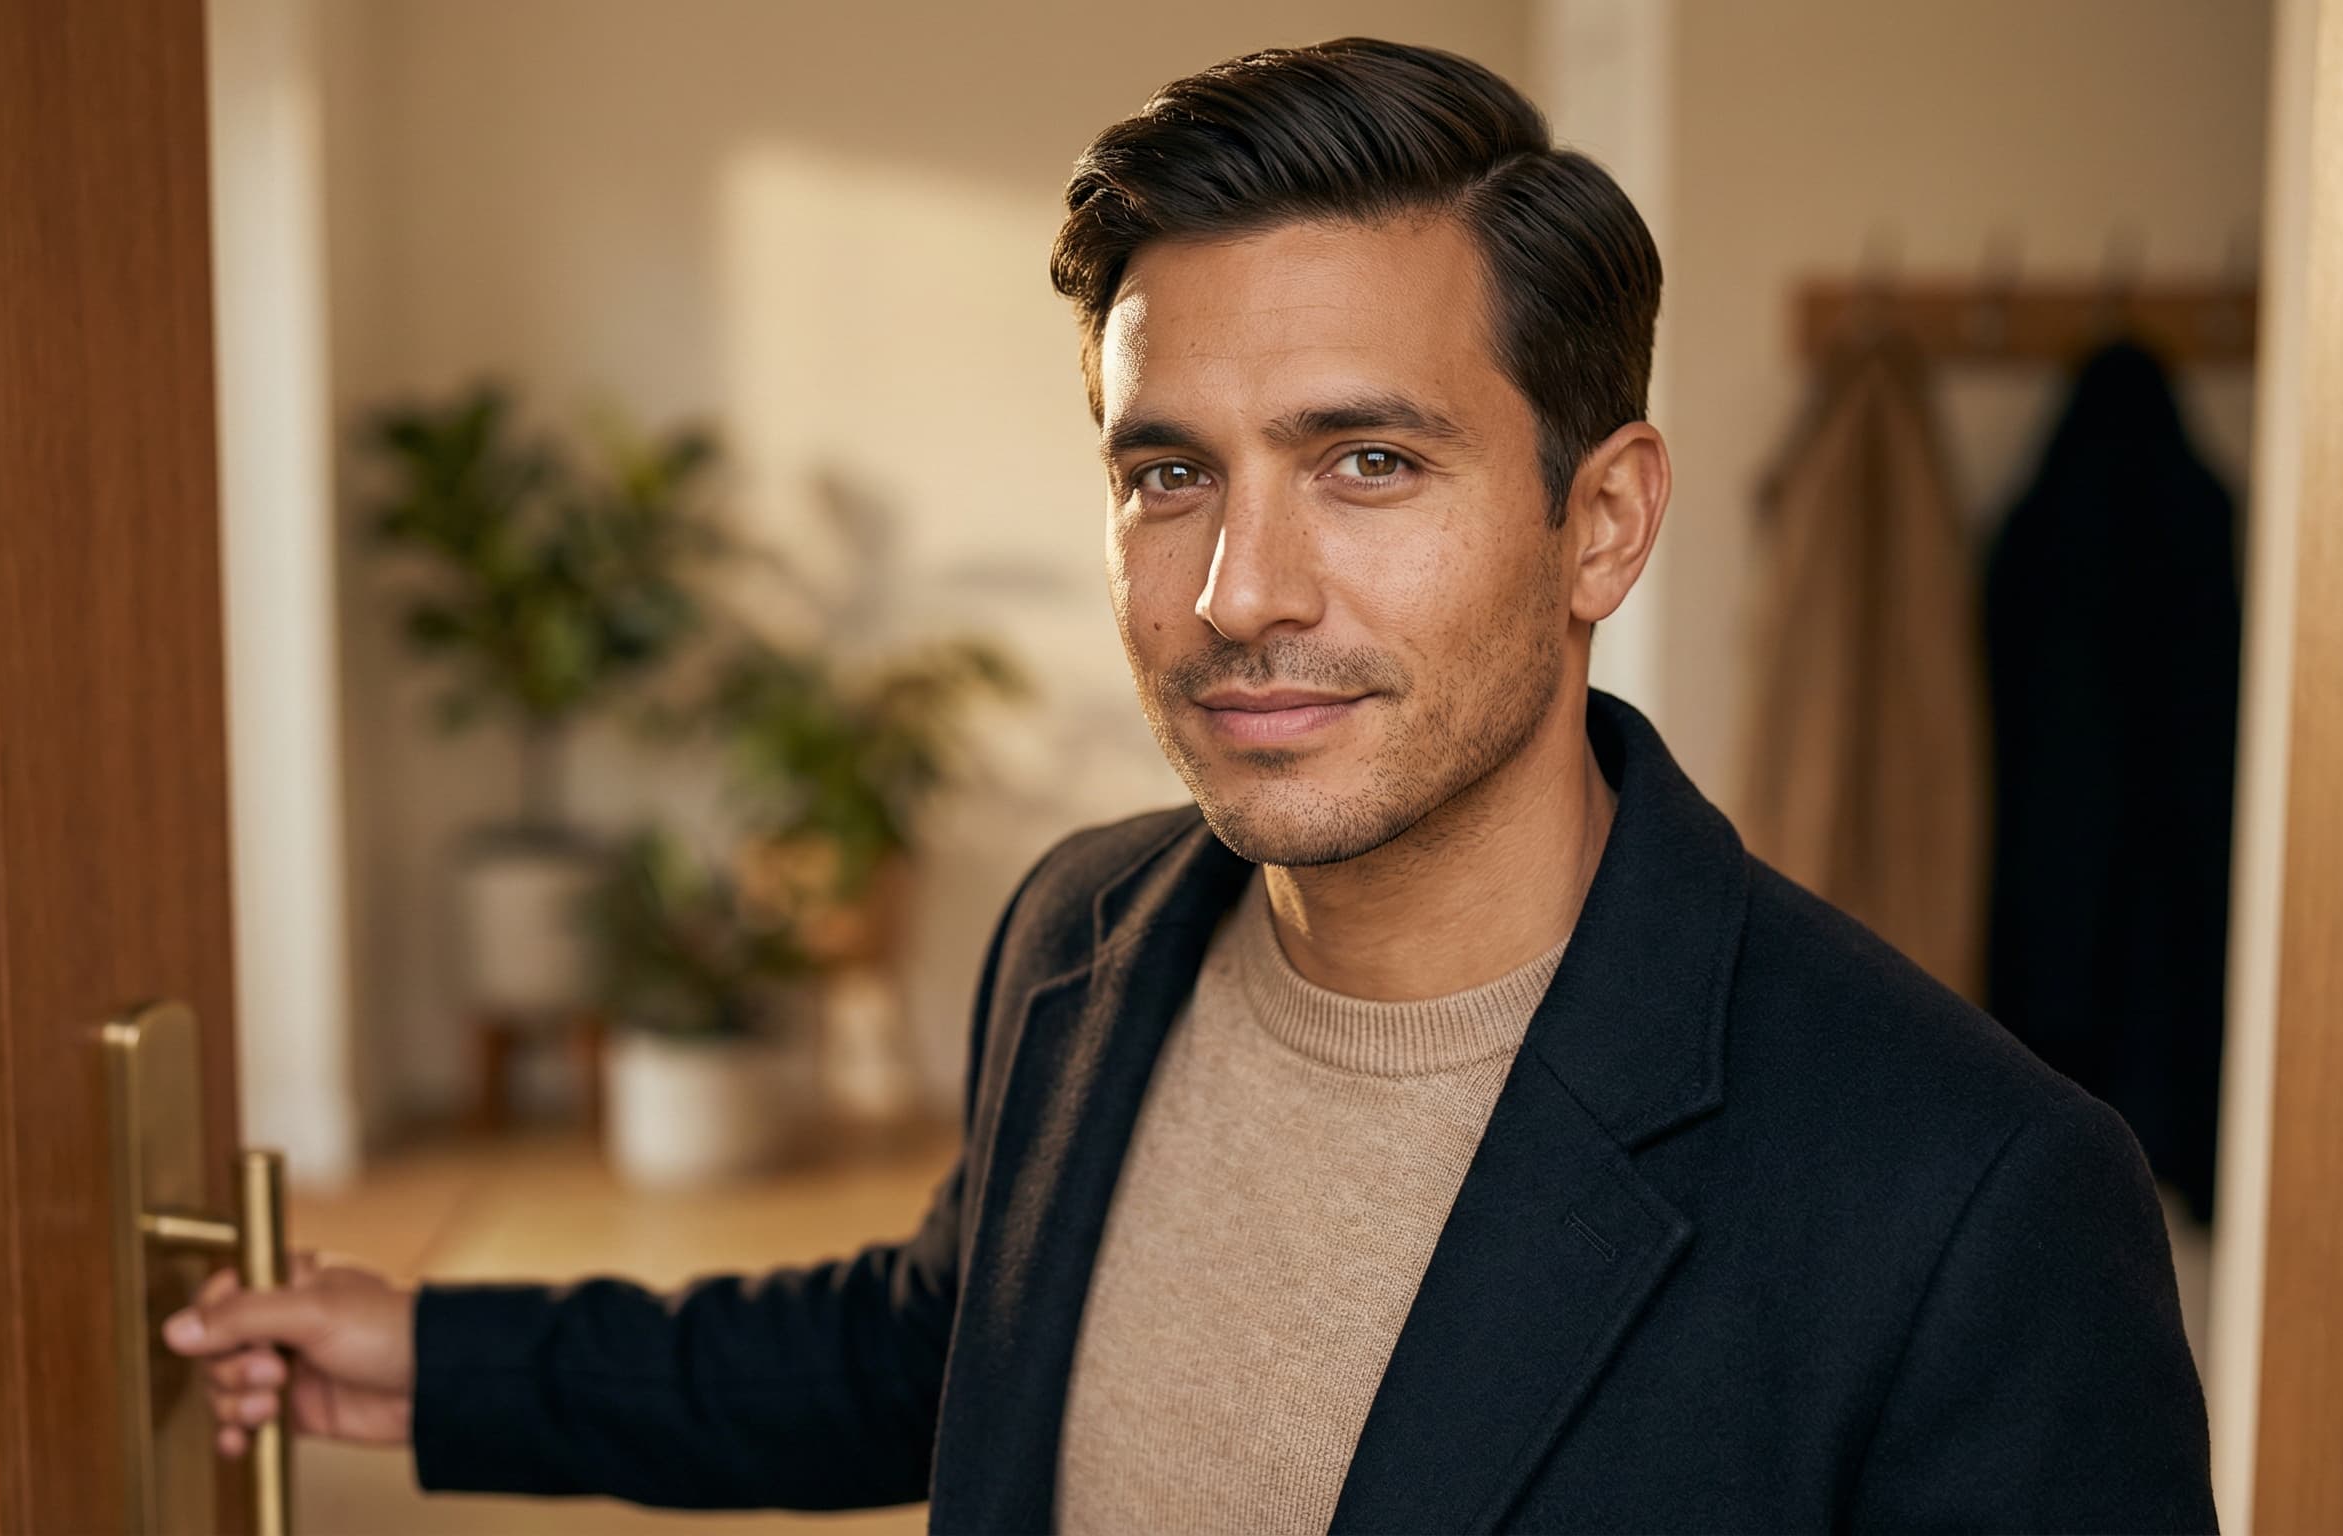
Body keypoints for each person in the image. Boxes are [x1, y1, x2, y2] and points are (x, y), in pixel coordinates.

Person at [166, 38, 2215, 1533]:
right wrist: (441, 1362)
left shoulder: (1966, 1200)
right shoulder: (1083, 931)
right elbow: (932, 1346)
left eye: (1365, 462)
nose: (1239, 593)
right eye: (1169, 477)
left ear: (1598, 524)